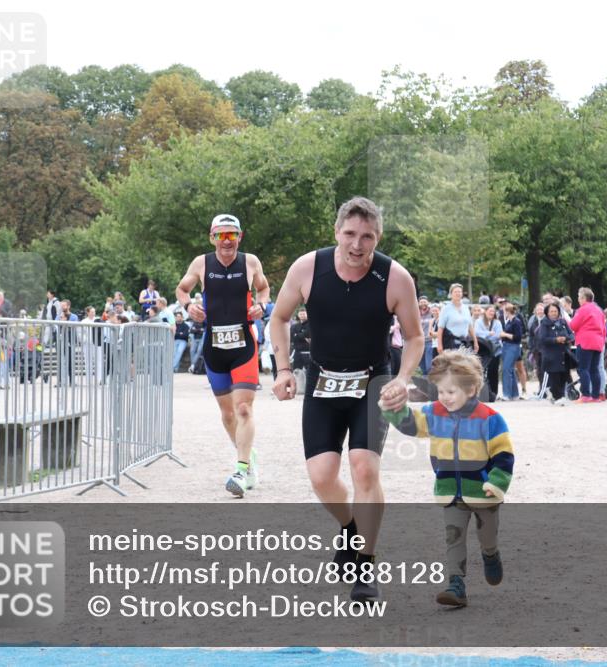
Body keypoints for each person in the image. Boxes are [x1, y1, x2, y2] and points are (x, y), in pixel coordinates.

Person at [268, 196, 423, 603]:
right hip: (323, 383)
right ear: (337, 232)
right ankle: (352, 528)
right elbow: (278, 317)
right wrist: (284, 369)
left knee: (364, 470)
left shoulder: (395, 278)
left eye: (367, 237)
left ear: (378, 237)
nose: (358, 245)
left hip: (372, 384)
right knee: (321, 476)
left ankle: (366, 564)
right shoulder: (307, 268)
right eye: (350, 234)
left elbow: (415, 337)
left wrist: (403, 379)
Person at [380, 350, 514, 608]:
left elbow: (504, 454)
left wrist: (497, 482)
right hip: (449, 490)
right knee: (454, 537)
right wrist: (392, 407)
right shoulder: (434, 412)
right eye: (440, 391)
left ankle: (490, 554)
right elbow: (410, 424)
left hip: (483, 492)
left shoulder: (490, 418)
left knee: (487, 535)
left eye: (450, 392)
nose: (444, 397)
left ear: (472, 389)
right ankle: (456, 584)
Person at [176, 213, 271, 498]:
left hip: (244, 345)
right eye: (221, 235)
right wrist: (188, 306)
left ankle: (241, 470)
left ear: (240, 237)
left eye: (232, 235)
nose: (227, 241)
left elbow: (263, 288)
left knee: (243, 409)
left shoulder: (251, 262)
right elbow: (182, 289)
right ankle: (248, 457)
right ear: (212, 237)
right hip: (214, 347)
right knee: (228, 414)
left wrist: (261, 305)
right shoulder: (201, 263)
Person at [568, 287, 606, 403]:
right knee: (594, 369)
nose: (578, 300)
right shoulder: (599, 310)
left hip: (585, 341)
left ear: (584, 298)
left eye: (579, 297)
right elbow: (604, 328)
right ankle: (596, 396)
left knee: (583, 368)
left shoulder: (583, 309)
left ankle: (585, 394)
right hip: (598, 341)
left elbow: (573, 325)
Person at [536, 302, 573, 405]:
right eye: (551, 311)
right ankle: (557, 396)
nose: (553, 313)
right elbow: (542, 339)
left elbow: (571, 334)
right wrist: (555, 340)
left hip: (563, 354)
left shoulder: (563, 322)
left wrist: (566, 339)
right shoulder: (544, 323)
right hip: (551, 355)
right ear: (547, 313)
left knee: (564, 375)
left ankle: (560, 395)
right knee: (554, 376)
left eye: (555, 311)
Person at [436, 283, 478, 354]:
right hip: (450, 343)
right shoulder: (446, 309)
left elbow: (470, 326)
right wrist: (439, 345)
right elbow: (440, 328)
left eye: (459, 292)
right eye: (455, 292)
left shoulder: (466, 308)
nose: (458, 294)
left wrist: (475, 341)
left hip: (464, 342)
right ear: (451, 294)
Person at [474, 304, 503, 401]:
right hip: (483, 350)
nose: (491, 313)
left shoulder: (497, 323)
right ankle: (484, 393)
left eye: (493, 311)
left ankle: (494, 393)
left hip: (495, 350)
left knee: (493, 372)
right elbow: (477, 333)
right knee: (482, 371)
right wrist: (488, 334)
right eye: (490, 311)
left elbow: (498, 335)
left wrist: (486, 336)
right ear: (485, 312)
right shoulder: (479, 322)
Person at [499, 303, 525, 400]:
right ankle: (514, 394)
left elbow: (518, 337)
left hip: (513, 347)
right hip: (507, 346)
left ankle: (507, 394)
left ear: (507, 311)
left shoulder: (516, 321)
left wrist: (505, 335)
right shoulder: (509, 322)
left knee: (506, 369)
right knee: (510, 370)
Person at [418, 297, 434, 374]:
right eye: (421, 302)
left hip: (429, 341)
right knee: (421, 365)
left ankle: (430, 384)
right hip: (419, 343)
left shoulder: (432, 313)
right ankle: (425, 384)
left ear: (428, 302)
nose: (423, 304)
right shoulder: (416, 314)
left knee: (429, 366)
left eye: (425, 302)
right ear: (418, 304)